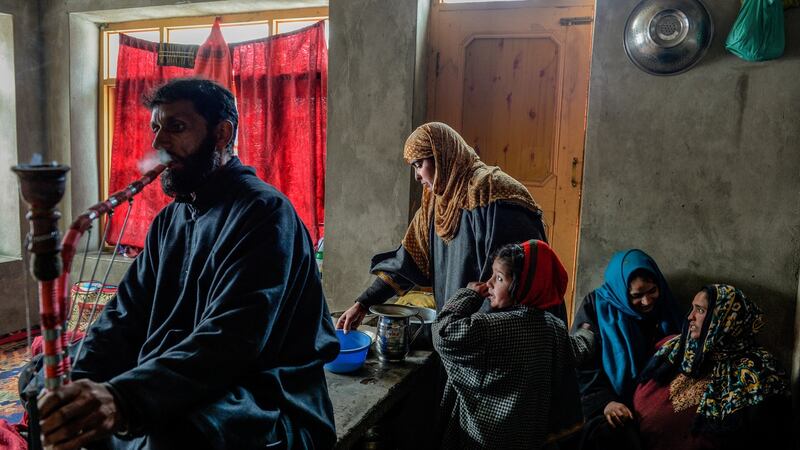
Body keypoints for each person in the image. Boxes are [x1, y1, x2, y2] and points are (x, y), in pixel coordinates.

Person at [21, 78, 340, 450]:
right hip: (177, 375)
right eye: (156, 128)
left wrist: (122, 399)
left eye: (176, 127)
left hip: (261, 392)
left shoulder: (264, 214)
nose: (158, 144)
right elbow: (124, 317)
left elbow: (232, 341)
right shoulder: (170, 220)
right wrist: (79, 380)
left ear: (222, 134)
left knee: (175, 435)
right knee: (42, 382)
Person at [337, 122, 549, 331]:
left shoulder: (491, 193)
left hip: (498, 337)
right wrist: (363, 303)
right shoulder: (435, 203)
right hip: (457, 332)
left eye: (419, 164)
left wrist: (465, 335)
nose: (417, 176)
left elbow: (515, 281)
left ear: (441, 156)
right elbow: (409, 261)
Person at [432, 240, 592, 449]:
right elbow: (576, 350)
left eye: (498, 278)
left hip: (482, 439)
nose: (488, 283)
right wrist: (586, 333)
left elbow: (443, 333)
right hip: (527, 438)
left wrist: (468, 294)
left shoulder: (489, 327)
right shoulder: (554, 327)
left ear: (521, 285)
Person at [634, 284, 791, 449]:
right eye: (692, 308)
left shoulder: (760, 371)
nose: (690, 317)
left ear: (727, 320)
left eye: (700, 311)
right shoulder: (675, 347)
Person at [570, 249, 682, 448]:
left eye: (652, 291)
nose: (647, 302)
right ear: (621, 290)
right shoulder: (596, 307)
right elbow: (583, 364)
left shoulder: (666, 308)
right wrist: (605, 403)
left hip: (652, 403)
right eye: (637, 295)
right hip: (608, 403)